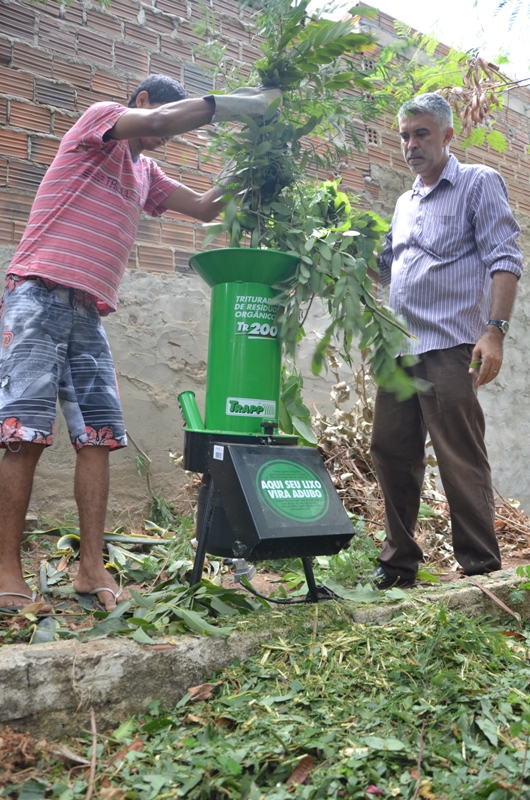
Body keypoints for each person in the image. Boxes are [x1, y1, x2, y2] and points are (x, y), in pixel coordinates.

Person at [0, 74, 281, 612]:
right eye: (162, 122)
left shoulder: (144, 172)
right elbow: (156, 123)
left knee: (100, 437)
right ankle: (5, 569)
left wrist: (252, 159)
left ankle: (90, 568)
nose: (162, 138)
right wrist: (247, 105)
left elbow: (203, 207)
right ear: (144, 101)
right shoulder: (98, 121)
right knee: (25, 434)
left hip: (88, 312)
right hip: (37, 293)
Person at [370, 92, 523, 590]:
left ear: (447, 135)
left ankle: (479, 567)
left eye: (421, 134)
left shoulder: (478, 183)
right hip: (399, 348)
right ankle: (398, 565)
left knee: (458, 452)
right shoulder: (403, 201)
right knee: (390, 451)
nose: (410, 144)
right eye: (404, 135)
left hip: (452, 343)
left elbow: (505, 259)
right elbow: (390, 265)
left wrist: (493, 332)